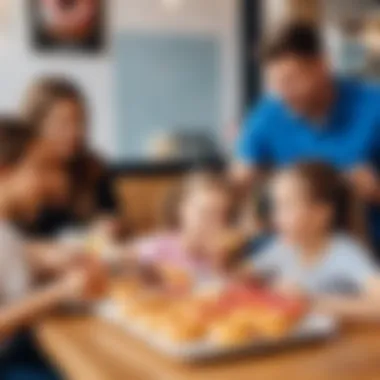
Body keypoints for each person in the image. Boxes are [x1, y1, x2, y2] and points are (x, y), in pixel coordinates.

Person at [232, 21, 380, 256]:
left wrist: (375, 191)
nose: (283, 94)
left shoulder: (374, 105)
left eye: (291, 80)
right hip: (295, 249)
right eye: (275, 84)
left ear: (322, 66)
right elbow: (239, 181)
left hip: (367, 249)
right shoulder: (267, 114)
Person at [0, 117, 104, 379]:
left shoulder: (9, 233)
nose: (50, 184)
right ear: (4, 172)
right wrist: (61, 291)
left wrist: (49, 265)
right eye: (40, 169)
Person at [247, 162, 380, 322]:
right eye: (276, 206)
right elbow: (240, 278)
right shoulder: (283, 247)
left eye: (287, 205)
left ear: (321, 213)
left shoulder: (343, 251)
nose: (276, 216)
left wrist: (312, 301)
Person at [21, 76, 117, 238]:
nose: (75, 132)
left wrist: (114, 226)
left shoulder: (93, 168)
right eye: (63, 123)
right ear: (36, 126)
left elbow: (113, 217)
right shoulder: (18, 174)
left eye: (80, 122)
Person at [126, 171, 244, 286]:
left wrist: (219, 262)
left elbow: (226, 291)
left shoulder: (226, 255)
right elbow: (126, 263)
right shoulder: (158, 248)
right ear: (181, 211)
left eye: (222, 215)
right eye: (206, 213)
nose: (214, 222)